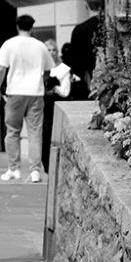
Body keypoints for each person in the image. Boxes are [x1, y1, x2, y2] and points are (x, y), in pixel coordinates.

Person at [0, 14, 54, 183]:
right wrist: (41, 81)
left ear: (17, 27)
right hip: (36, 93)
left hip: (15, 92)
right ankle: (35, 171)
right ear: (32, 27)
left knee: (12, 131)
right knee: (35, 133)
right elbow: (49, 70)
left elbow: (0, 69)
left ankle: (14, 169)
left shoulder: (10, 44)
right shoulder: (40, 46)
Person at [67, 0, 104, 100]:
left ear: (86, 5)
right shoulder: (111, 27)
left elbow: (75, 64)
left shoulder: (80, 30)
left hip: (87, 86)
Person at [42, 40, 72, 171]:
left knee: (55, 135)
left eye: (53, 50)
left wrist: (55, 89)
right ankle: (46, 164)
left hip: (56, 104)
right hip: (42, 105)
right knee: (44, 136)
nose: (51, 53)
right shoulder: (39, 68)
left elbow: (66, 91)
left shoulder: (63, 69)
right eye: (48, 50)